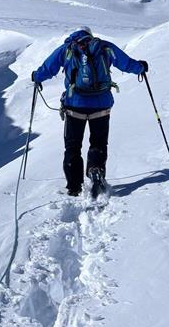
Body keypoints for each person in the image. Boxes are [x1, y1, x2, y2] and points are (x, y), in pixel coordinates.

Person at [31, 26, 147, 198]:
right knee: (99, 142)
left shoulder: (67, 49)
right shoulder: (104, 47)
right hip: (101, 105)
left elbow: (49, 68)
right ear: (90, 35)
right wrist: (141, 67)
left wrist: (36, 76)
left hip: (75, 105)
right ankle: (96, 170)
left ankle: (74, 187)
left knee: (72, 146)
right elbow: (126, 63)